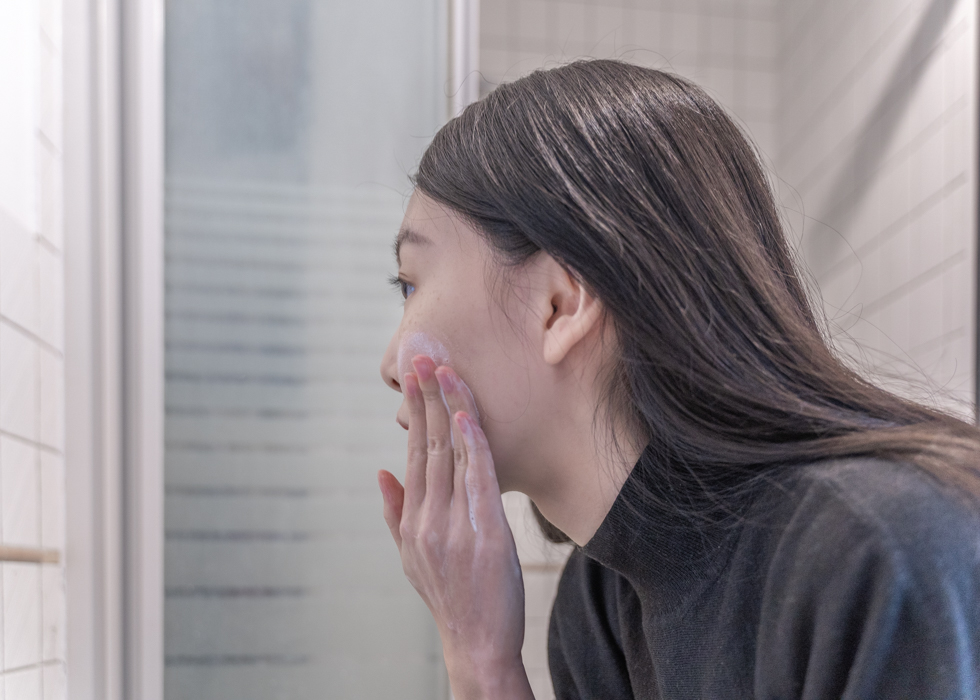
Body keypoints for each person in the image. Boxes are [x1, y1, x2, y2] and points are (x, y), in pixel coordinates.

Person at [376, 60, 980, 699]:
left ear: (559, 305)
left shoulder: (880, 547)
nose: (390, 367)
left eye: (411, 284)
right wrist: (480, 661)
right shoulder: (600, 604)